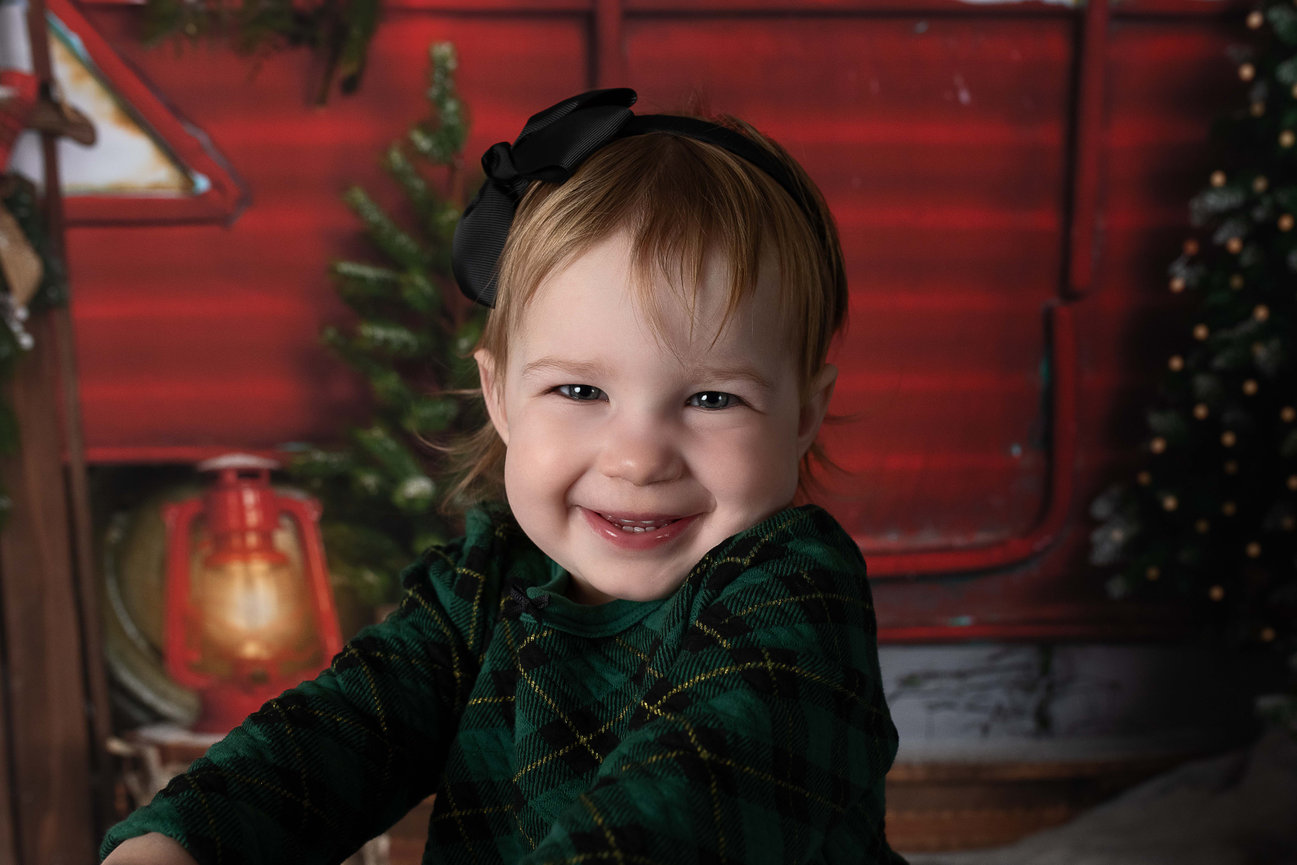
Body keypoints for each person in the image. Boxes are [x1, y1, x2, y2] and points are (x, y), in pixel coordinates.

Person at [100, 88, 907, 865]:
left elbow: (684, 808)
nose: (637, 457)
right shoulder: (487, 585)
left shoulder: (795, 599)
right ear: (500, 396)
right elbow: (341, 727)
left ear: (803, 413)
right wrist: (183, 839)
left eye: (710, 397)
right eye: (580, 390)